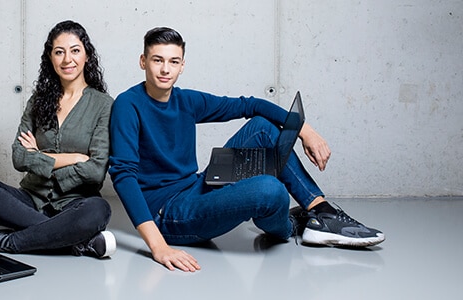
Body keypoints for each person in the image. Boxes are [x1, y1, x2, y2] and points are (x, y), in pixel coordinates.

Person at [108, 27, 384, 272]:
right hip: (168, 213)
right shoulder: (128, 105)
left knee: (262, 127)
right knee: (270, 189)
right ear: (143, 61)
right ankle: (291, 227)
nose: (165, 69)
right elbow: (123, 175)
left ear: (182, 66)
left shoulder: (186, 100)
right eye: (157, 60)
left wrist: (305, 130)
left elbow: (250, 105)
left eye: (173, 61)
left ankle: (320, 211)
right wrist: (158, 246)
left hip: (196, 187)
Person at [0, 20, 116, 258]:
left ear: (87, 56)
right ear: (50, 58)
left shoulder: (103, 105)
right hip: (30, 198)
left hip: (75, 203)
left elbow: (95, 170)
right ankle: (71, 241)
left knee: (98, 210)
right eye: (59, 52)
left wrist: (39, 157)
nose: (67, 59)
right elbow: (19, 157)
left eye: (75, 50)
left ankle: (3, 242)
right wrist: (73, 158)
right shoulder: (39, 100)